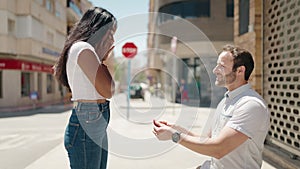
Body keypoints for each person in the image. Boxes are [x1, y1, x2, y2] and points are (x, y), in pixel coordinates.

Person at [153, 44, 270, 169]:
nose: (215, 70)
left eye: (222, 66)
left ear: (240, 71)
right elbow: (207, 140)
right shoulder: (226, 100)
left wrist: (174, 135)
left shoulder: (251, 105)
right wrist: (176, 129)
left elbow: (219, 149)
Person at [53, 7, 116, 169]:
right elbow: (108, 90)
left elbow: (109, 90)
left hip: (94, 119)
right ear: (98, 28)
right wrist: (104, 57)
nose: (113, 39)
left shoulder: (89, 52)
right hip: (88, 121)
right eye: (110, 33)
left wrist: (102, 56)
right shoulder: (83, 48)